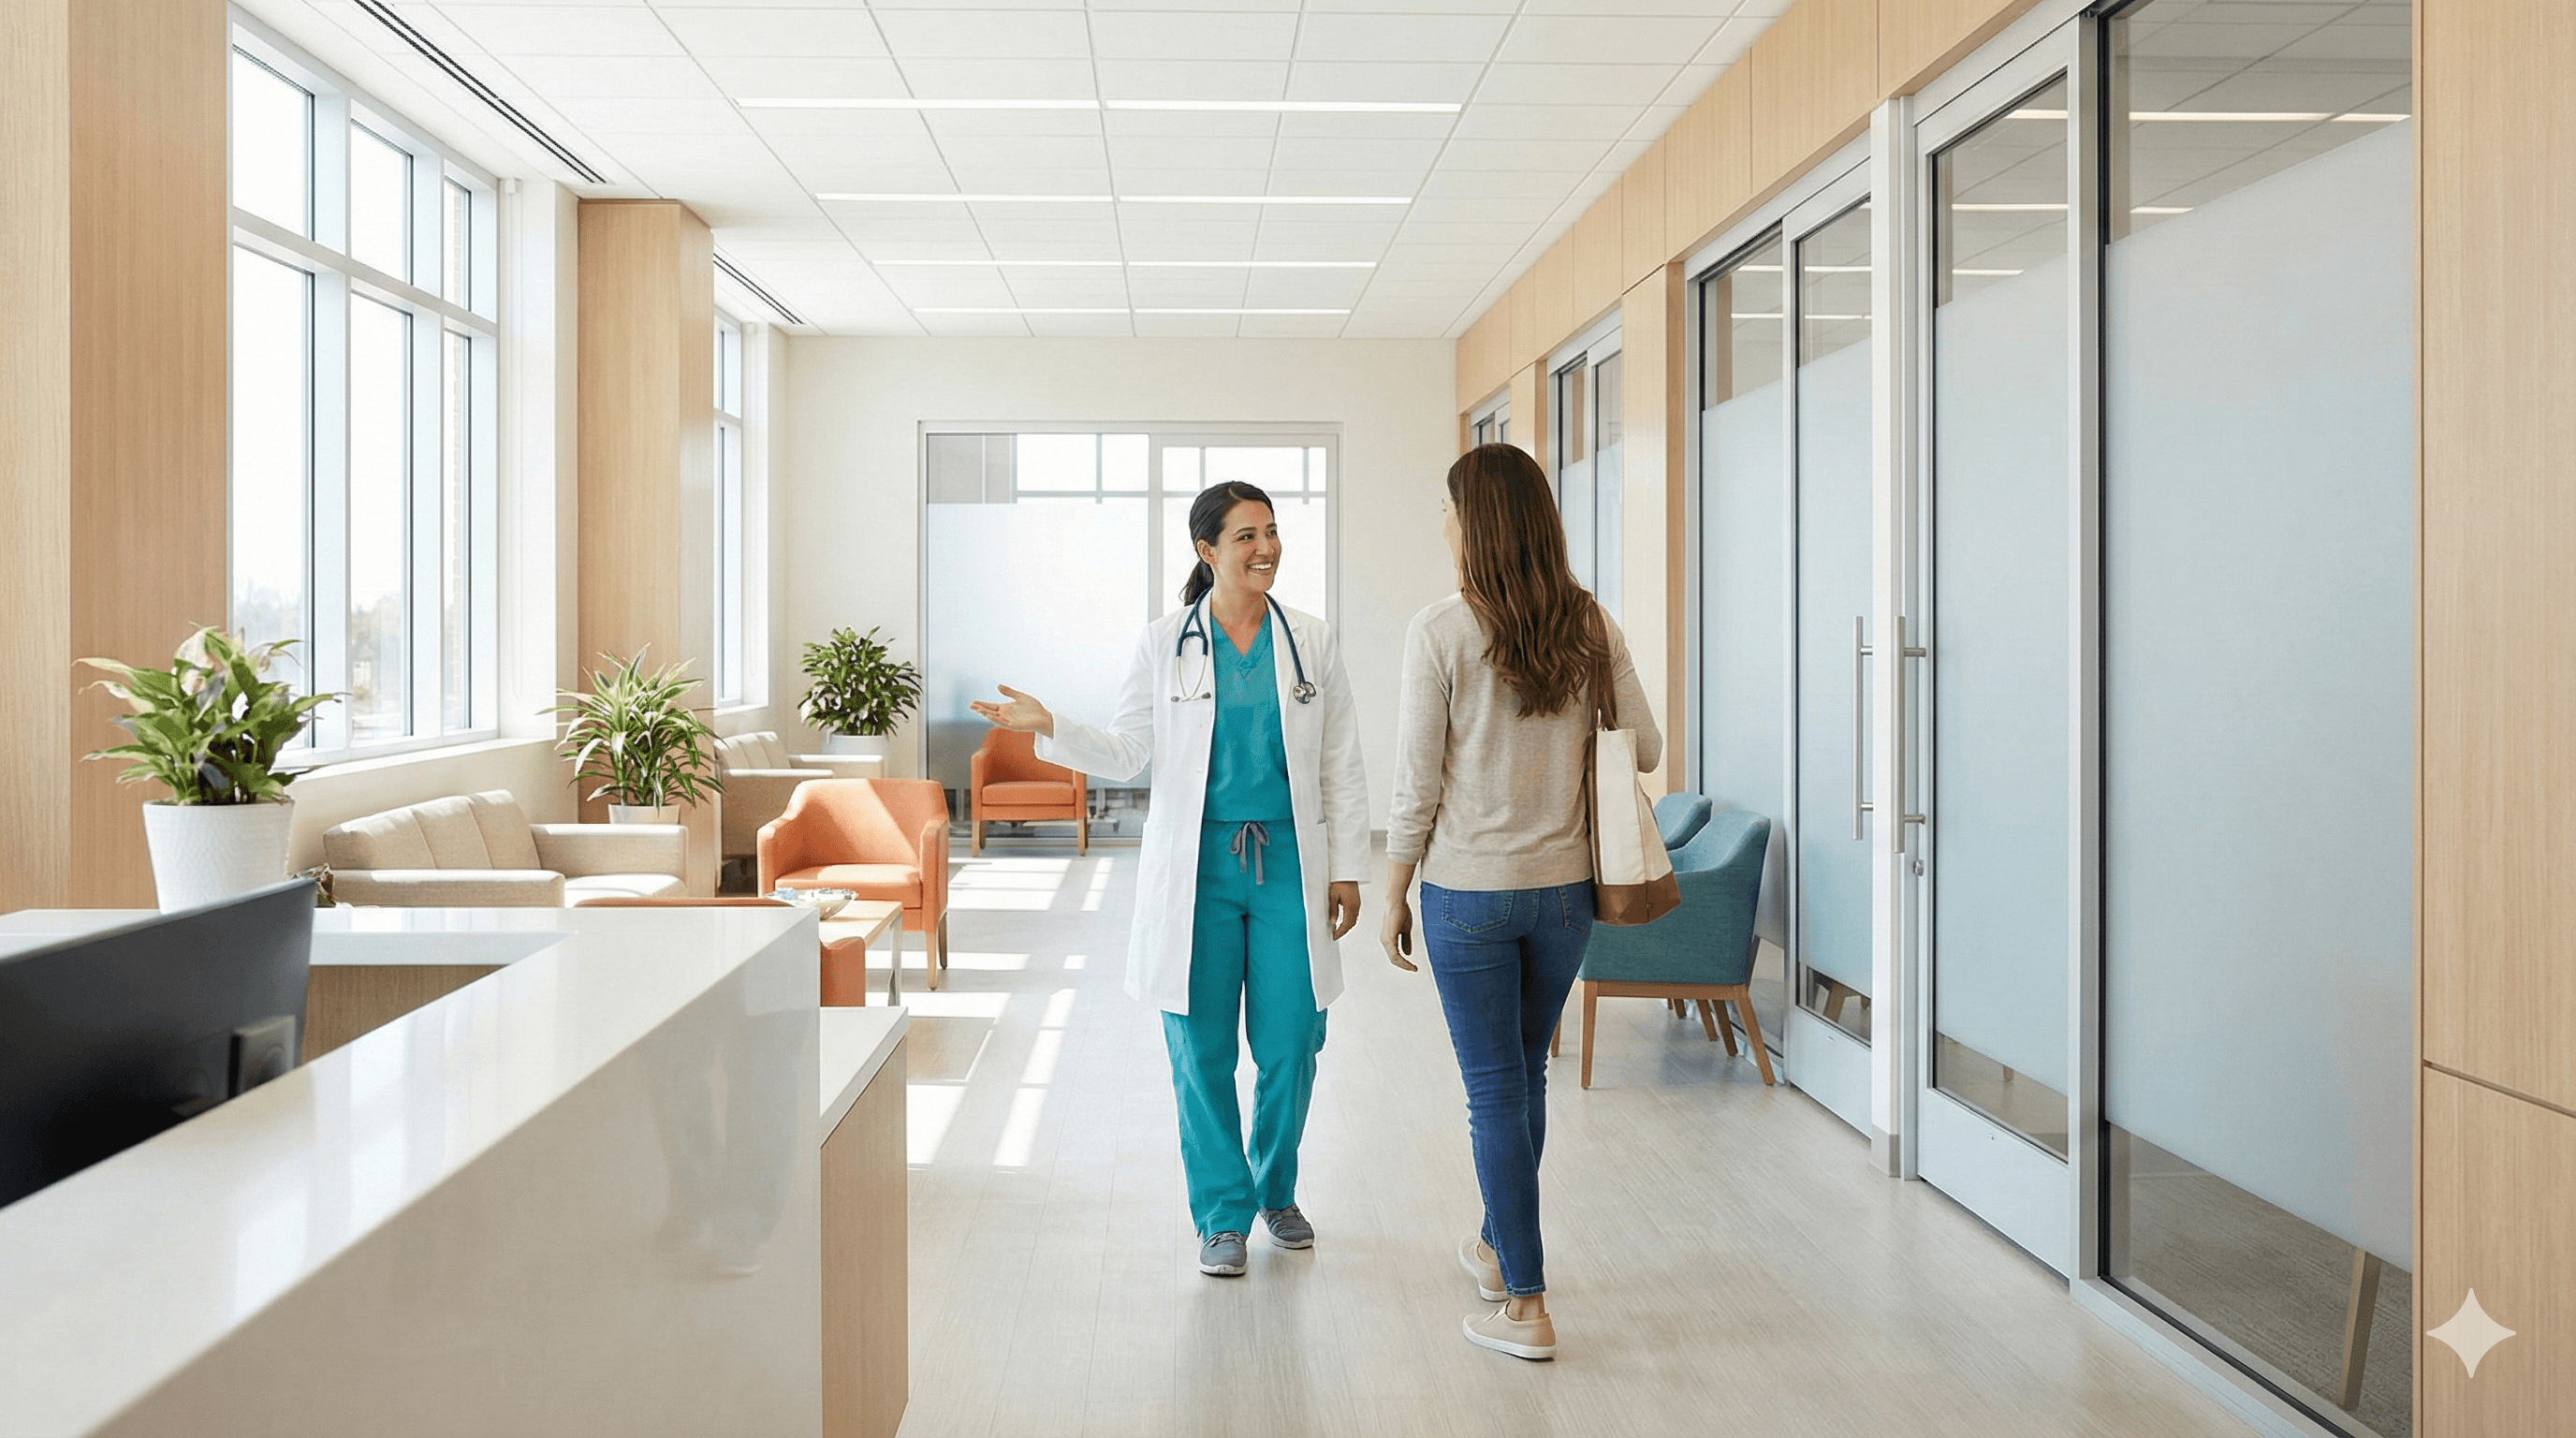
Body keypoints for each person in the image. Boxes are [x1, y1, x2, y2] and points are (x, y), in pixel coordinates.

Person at [972, 480, 1369, 1279]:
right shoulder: (1166, 642)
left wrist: (1351, 868)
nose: (1265, 549)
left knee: (1293, 1039)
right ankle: (1223, 1214)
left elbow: (1340, 762)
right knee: (1201, 1045)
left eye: (1272, 533)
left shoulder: (1312, 642)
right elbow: (1128, 750)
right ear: (1207, 551)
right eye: (1246, 536)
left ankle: (1275, 1190)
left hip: (1291, 861)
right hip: (1197, 869)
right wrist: (1051, 726)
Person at [1380, 443, 1661, 1361]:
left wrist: (1393, 891)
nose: (1446, 528)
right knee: (1522, 1081)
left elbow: (1416, 785)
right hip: (1565, 896)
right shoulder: (1589, 625)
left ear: (1474, 524)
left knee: (1494, 1089)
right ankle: (1499, 1253)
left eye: (1451, 512)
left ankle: (1528, 1306)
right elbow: (1646, 748)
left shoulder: (1441, 631)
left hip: (1468, 893)